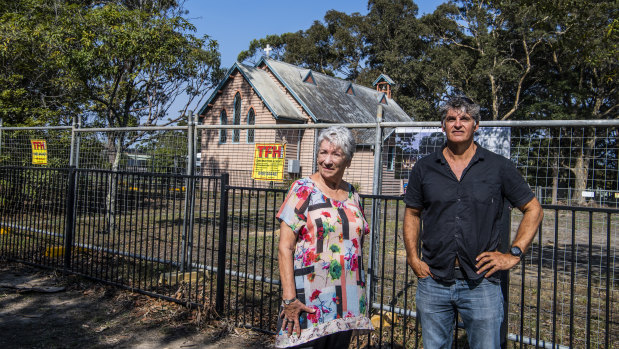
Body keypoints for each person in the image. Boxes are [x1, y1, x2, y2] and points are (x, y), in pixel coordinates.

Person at [403, 97, 543, 349]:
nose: (458, 124)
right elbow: (412, 214)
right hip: (433, 279)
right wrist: (413, 258)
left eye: (465, 119)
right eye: (451, 119)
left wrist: (513, 253)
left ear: (476, 125)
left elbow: (533, 209)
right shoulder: (424, 168)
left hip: (481, 283)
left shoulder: (498, 167)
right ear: (443, 126)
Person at [275, 126, 374, 348]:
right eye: (323, 152)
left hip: (347, 303)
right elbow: (285, 247)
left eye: (335, 154)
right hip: (309, 301)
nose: (327, 161)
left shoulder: (353, 195)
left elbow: (356, 243)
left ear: (348, 160)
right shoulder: (302, 189)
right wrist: (290, 300)